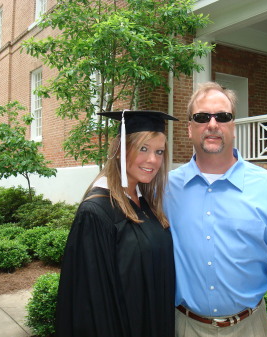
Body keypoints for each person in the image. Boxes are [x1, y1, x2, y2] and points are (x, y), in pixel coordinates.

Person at [164, 82, 267, 337]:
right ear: (189, 128)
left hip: (249, 328)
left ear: (233, 126)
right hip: (183, 326)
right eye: (202, 117)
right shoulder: (165, 189)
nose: (213, 124)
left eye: (222, 116)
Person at [55, 110, 178, 337]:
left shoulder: (144, 203)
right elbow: (92, 305)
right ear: (120, 150)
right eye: (143, 148)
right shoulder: (96, 212)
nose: (153, 160)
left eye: (159, 152)